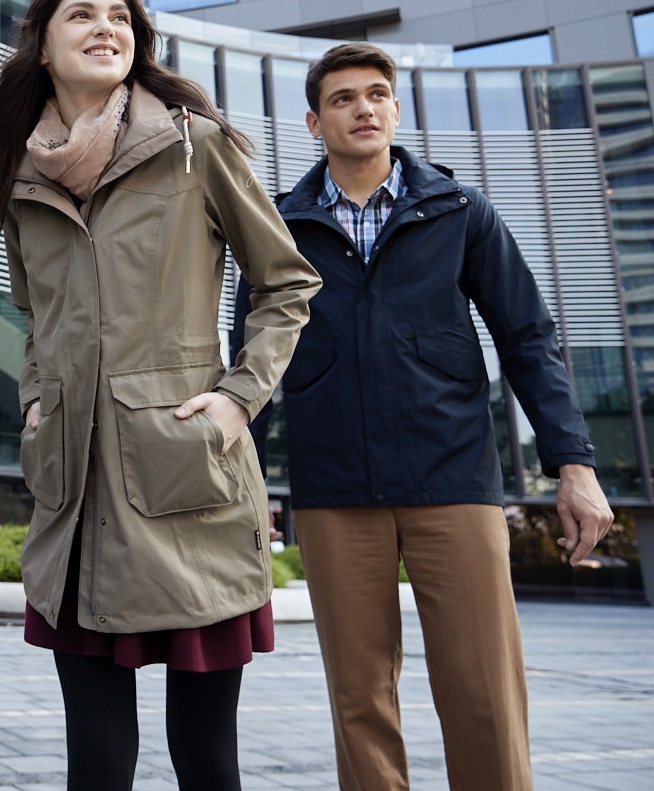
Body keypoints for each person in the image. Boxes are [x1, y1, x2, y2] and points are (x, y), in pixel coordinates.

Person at [0, 0, 321, 791]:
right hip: (75, 502)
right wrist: (35, 401)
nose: (107, 28)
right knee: (95, 762)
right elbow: (37, 321)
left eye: (120, 18)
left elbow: (287, 285)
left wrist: (239, 399)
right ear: (44, 43)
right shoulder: (21, 180)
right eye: (83, 16)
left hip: (183, 477)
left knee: (207, 760)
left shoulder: (195, 146)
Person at [239, 42, 615, 790]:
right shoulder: (279, 224)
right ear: (314, 121)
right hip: (334, 490)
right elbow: (250, 361)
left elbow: (529, 339)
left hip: (455, 481)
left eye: (377, 94)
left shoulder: (459, 210)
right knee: (360, 700)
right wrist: (243, 486)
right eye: (343, 98)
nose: (363, 108)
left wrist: (575, 465)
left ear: (396, 110)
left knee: (485, 693)